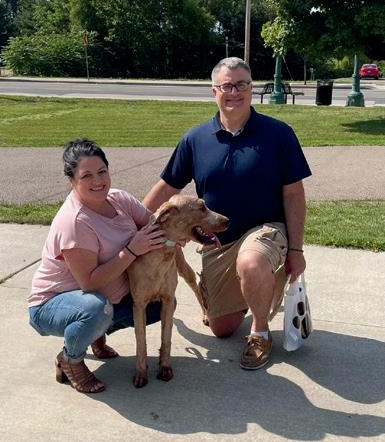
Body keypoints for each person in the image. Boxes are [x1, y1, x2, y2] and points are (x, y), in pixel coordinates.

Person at [143, 57, 312, 370]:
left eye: (242, 85)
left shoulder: (278, 134)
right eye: (227, 86)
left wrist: (296, 250)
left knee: (251, 261)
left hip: (266, 229)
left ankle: (260, 332)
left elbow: (294, 194)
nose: (234, 92)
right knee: (221, 328)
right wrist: (135, 223)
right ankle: (254, 285)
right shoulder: (195, 139)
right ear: (214, 92)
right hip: (218, 238)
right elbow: (167, 187)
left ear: (251, 88)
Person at [28, 138, 167, 393]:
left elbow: (155, 226)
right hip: (51, 304)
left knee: (157, 306)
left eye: (102, 171)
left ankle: (95, 335)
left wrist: (181, 231)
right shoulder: (75, 221)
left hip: (100, 298)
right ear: (72, 180)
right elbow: (89, 283)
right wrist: (132, 249)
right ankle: (70, 360)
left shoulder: (119, 199)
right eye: (87, 176)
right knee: (95, 309)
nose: (98, 181)